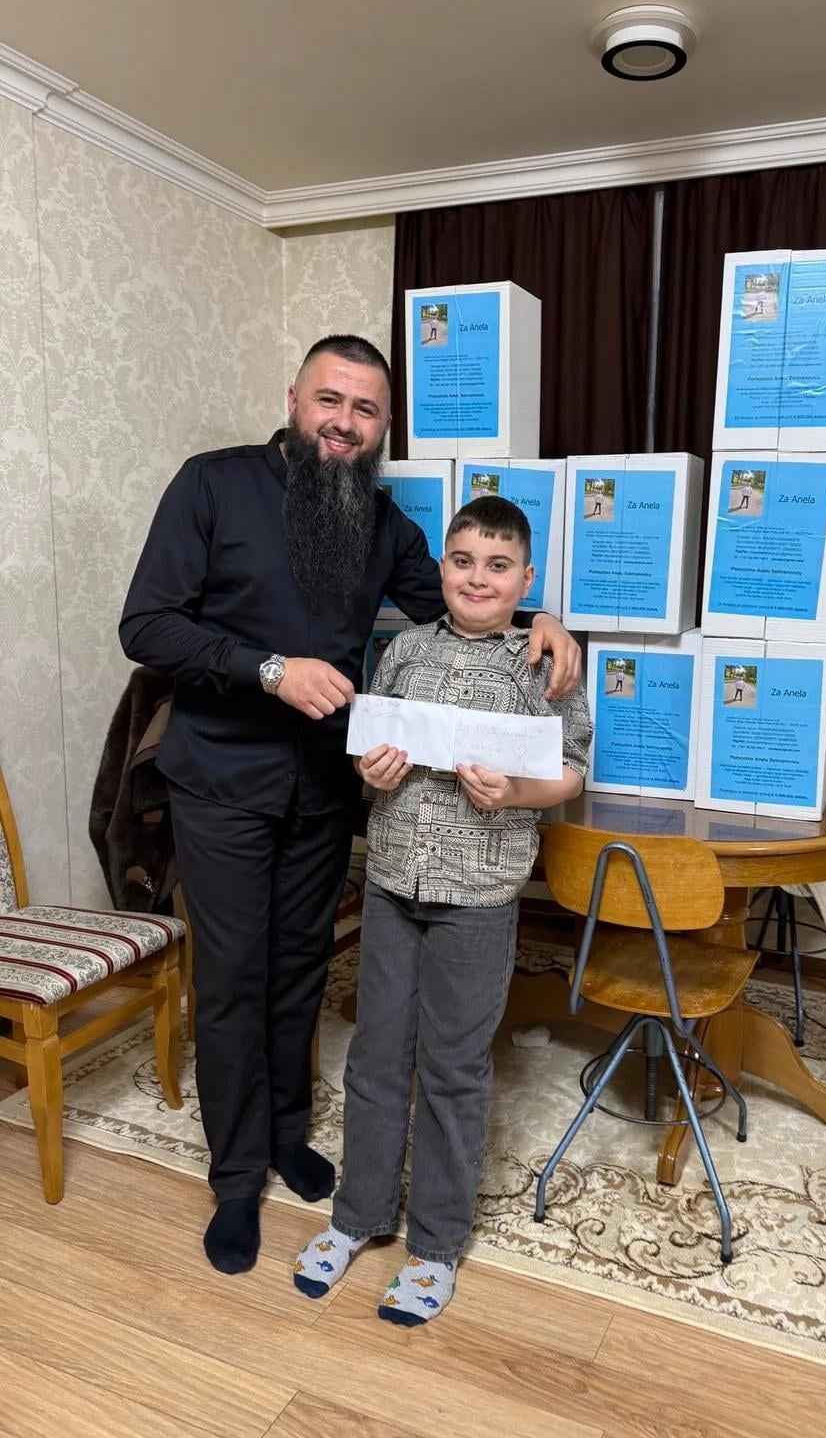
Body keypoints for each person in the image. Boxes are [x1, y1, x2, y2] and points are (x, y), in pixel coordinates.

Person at [118, 335, 580, 1275]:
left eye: (365, 410)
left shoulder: (381, 524)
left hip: (328, 785)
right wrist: (271, 671)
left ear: (382, 428)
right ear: (294, 399)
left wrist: (546, 621)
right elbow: (146, 626)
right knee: (234, 979)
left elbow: (462, 604)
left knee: (300, 968)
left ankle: (287, 1134)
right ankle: (235, 1176)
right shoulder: (211, 484)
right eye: (330, 400)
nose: (344, 422)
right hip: (223, 781)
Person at [292, 495, 592, 1325]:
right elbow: (369, 746)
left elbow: (570, 769)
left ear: (525, 579)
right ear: (442, 569)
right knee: (376, 1057)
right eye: (463, 562)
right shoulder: (404, 651)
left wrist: (515, 793)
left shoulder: (545, 663)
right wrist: (370, 772)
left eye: (498, 566)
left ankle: (434, 1245)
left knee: (454, 1068)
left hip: (480, 894)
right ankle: (358, 1216)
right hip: (393, 882)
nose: (478, 578)